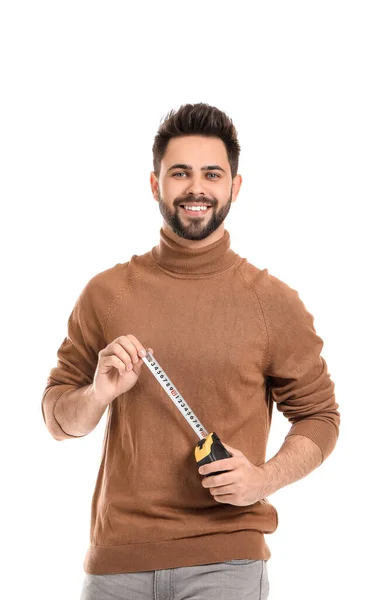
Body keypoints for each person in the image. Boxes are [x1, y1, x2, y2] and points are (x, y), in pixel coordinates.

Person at [41, 102, 340, 600]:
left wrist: (262, 480)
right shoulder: (106, 294)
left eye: (212, 174)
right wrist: (97, 393)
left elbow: (321, 417)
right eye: (180, 173)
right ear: (156, 184)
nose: (195, 188)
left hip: (227, 561)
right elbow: (57, 421)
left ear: (234, 188)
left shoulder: (272, 303)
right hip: (119, 563)